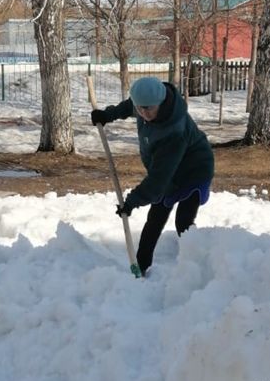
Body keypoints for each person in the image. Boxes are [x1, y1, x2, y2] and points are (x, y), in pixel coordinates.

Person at [91, 76, 214, 275]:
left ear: (161, 102)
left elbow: (158, 181)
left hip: (194, 170)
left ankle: (196, 269)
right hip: (167, 170)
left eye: (147, 109)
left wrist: (131, 202)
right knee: (155, 218)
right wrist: (106, 115)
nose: (142, 113)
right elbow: (128, 106)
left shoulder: (174, 132)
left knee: (183, 222)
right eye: (140, 108)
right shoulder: (145, 103)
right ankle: (140, 266)